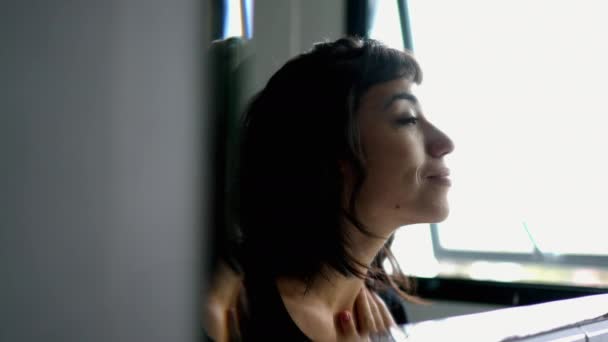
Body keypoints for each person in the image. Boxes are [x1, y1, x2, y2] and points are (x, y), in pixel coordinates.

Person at [236, 36, 454, 341]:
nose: (445, 144)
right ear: (329, 150)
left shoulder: (384, 315)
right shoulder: (235, 312)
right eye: (408, 119)